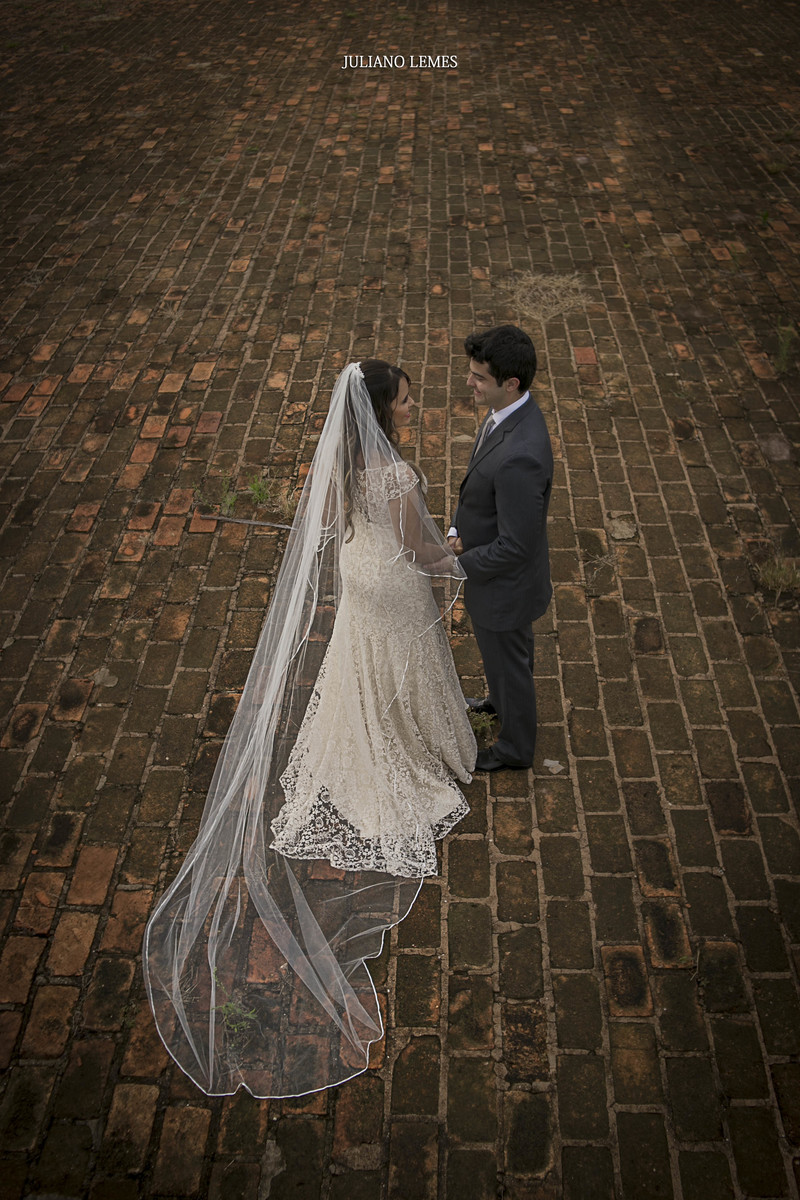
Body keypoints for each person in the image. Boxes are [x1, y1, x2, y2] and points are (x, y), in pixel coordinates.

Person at [143, 361, 475, 1099]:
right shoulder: (398, 478)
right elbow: (421, 554)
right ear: (382, 409)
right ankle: (409, 742)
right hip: (387, 584)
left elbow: (328, 526)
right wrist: (453, 548)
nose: (414, 404)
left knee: (356, 665)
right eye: (406, 397)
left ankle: (370, 730)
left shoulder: (337, 463)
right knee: (402, 657)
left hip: (358, 576)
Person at [449, 325, 553, 771]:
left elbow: (514, 545)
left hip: (503, 586)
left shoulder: (520, 457)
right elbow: (479, 490)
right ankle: (499, 700)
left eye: (479, 378)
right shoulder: (509, 414)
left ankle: (514, 749)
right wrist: (457, 528)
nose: (469, 383)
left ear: (510, 383)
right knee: (507, 659)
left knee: (510, 662)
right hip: (497, 577)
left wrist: (458, 565)